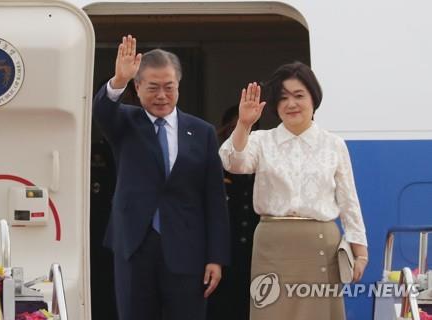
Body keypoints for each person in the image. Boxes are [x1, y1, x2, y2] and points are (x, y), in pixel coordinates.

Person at [93, 35, 230, 320]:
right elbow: (102, 112)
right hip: (134, 245)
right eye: (153, 88)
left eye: (169, 87)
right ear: (138, 87)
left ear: (178, 86)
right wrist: (118, 79)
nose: (161, 96)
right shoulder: (126, 123)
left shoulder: (202, 132)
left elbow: (214, 198)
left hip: (187, 247)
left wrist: (216, 257)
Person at [219, 61, 368, 320]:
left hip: (321, 245)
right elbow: (233, 162)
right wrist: (243, 125)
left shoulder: (333, 145)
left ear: (314, 99)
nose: (291, 104)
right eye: (283, 98)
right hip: (272, 245)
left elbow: (348, 200)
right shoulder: (261, 140)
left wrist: (360, 251)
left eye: (299, 96)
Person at [207, 105, 259, 320]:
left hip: (256, 256)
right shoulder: (213, 165)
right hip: (224, 255)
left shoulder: (263, 165)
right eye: (234, 127)